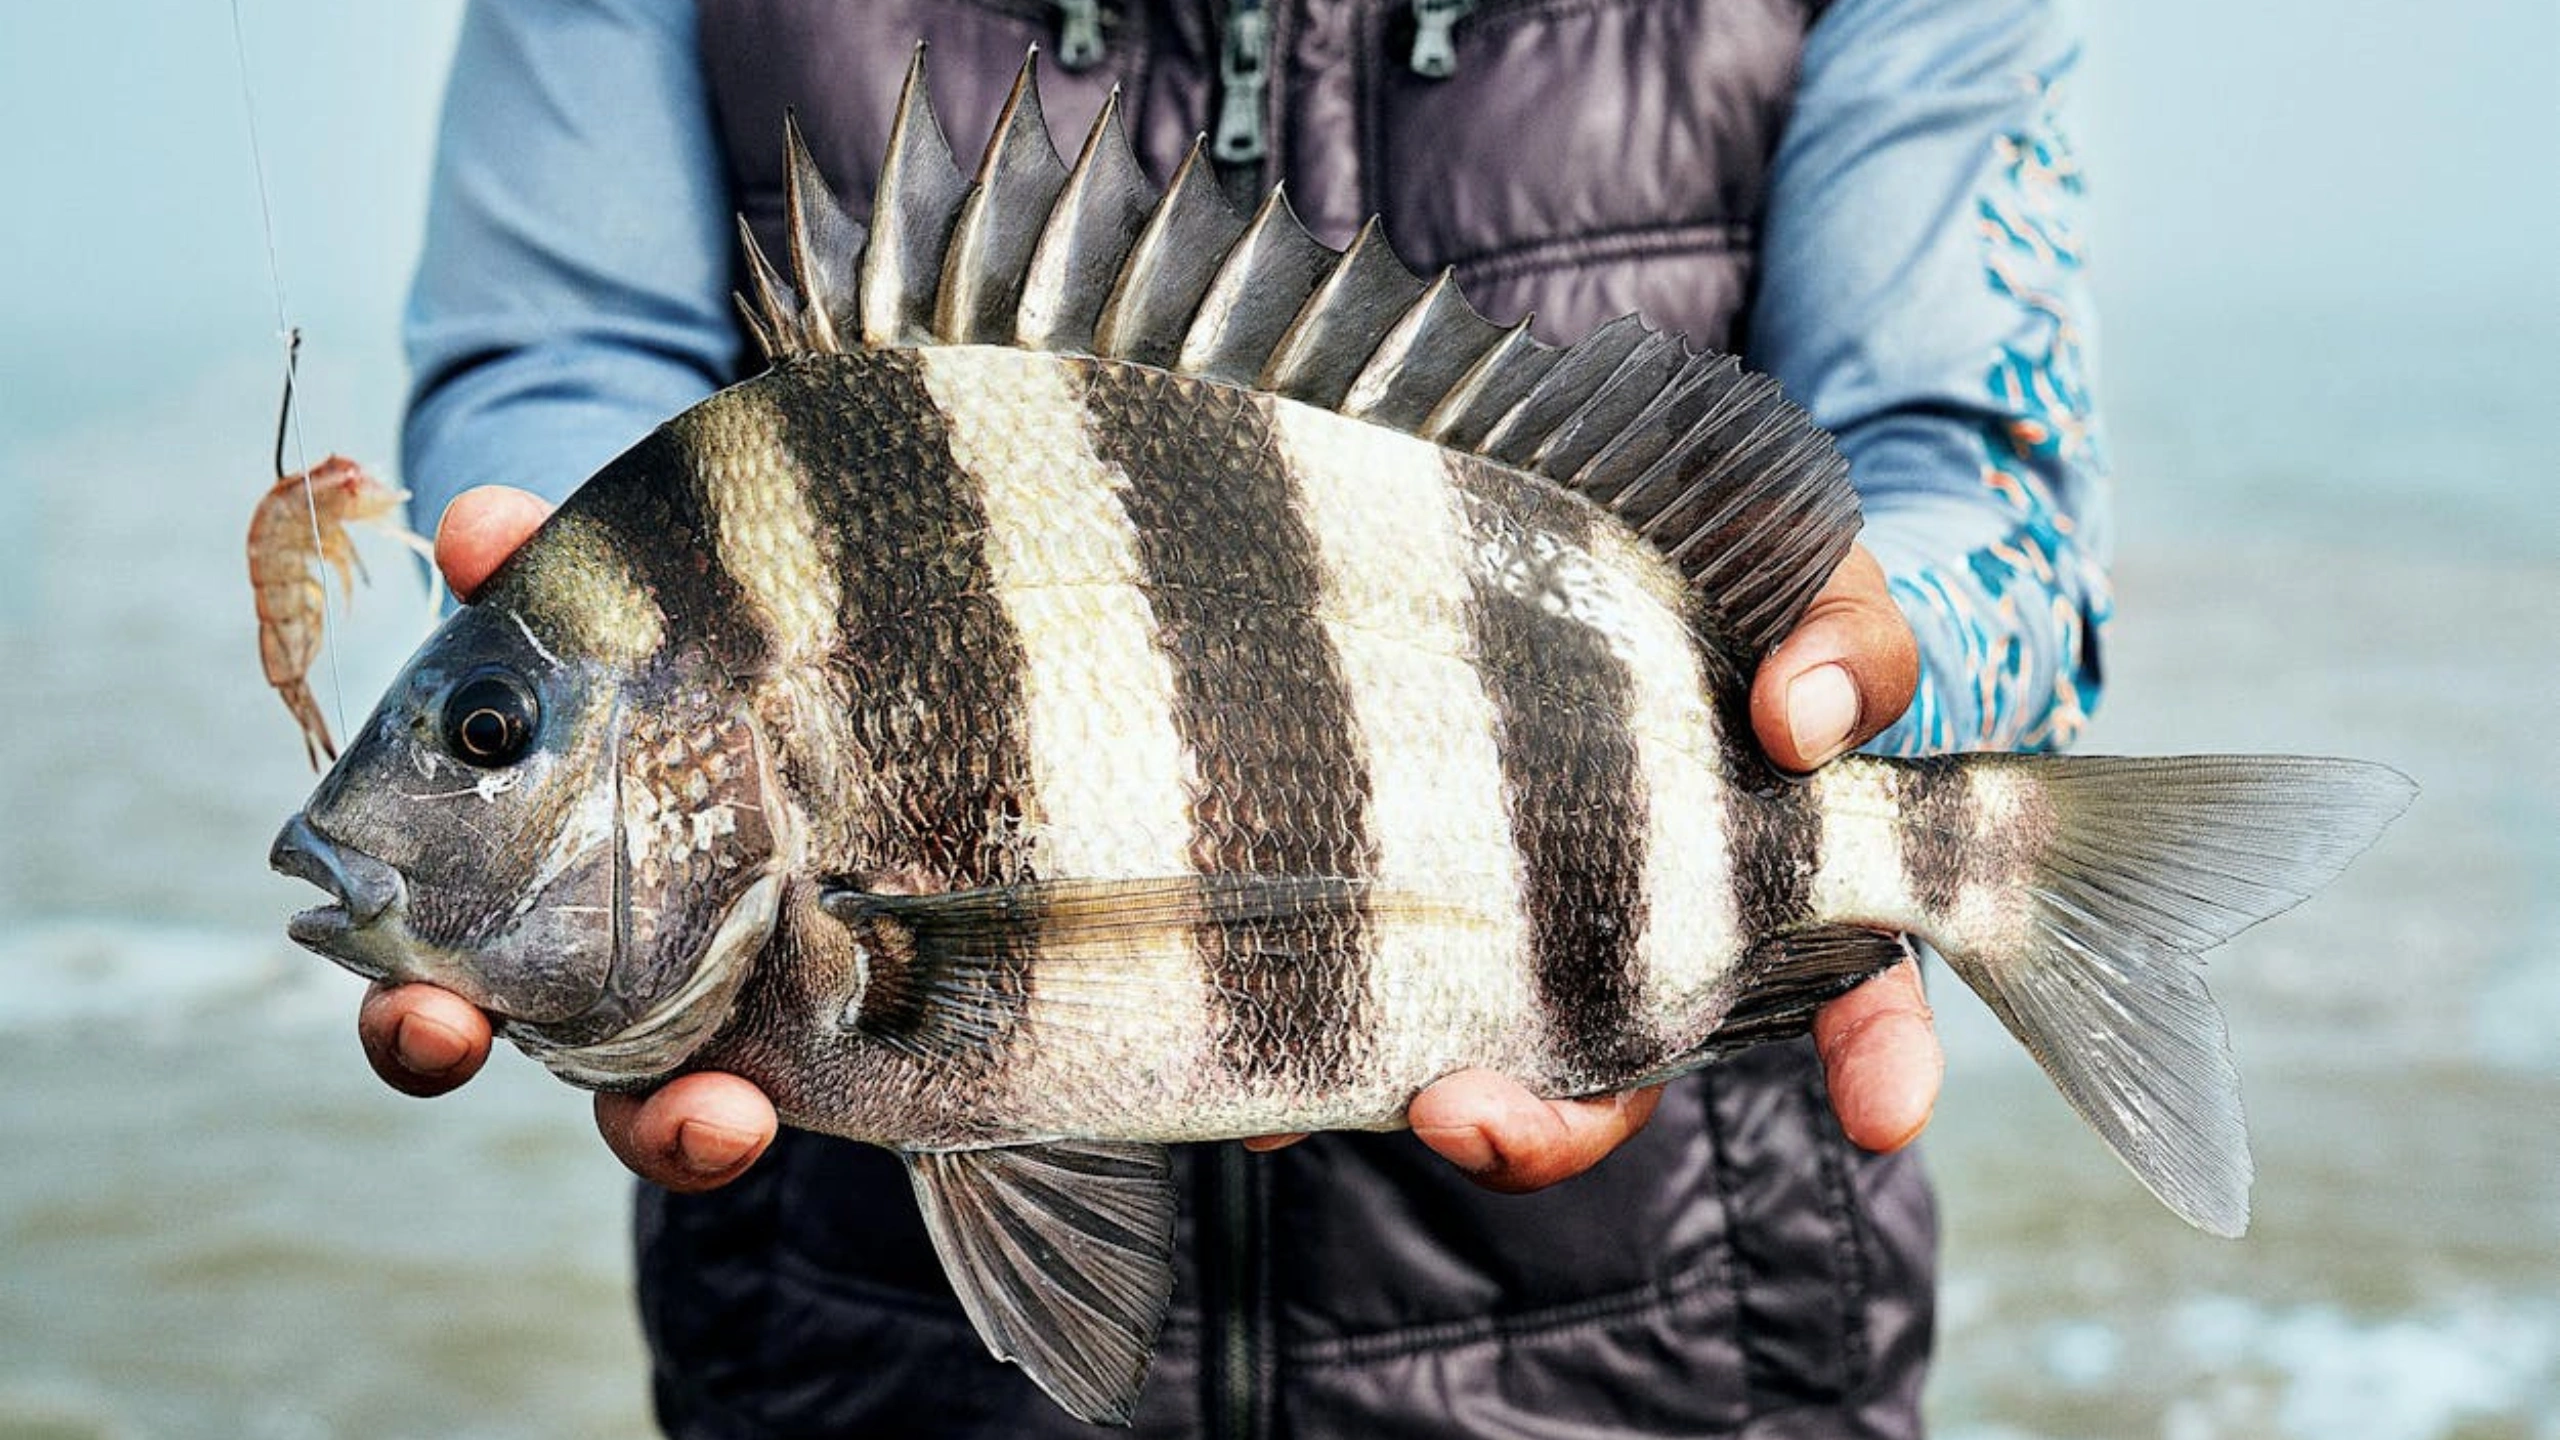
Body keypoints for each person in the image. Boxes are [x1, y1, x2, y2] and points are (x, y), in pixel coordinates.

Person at [369, 1, 2110, 1434]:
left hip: (1679, 1338)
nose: (439, 784)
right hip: (865, 1351)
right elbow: (558, 349)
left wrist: (1863, 711)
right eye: (492, 739)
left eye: (486, 738)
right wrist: (546, 513)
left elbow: (1970, 469)